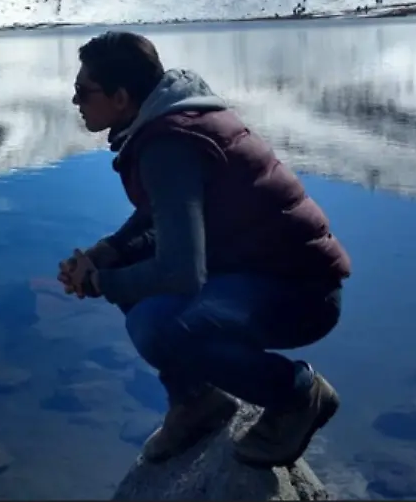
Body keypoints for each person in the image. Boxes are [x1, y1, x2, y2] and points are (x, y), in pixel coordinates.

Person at [56, 30, 350, 469]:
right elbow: (165, 215)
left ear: (120, 97)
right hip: (268, 273)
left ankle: (296, 395)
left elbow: (181, 273)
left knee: (155, 324)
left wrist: (101, 282)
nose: (75, 101)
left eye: (83, 91)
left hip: (302, 294)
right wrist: (109, 251)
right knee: (139, 275)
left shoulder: (168, 144)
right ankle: (196, 402)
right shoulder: (172, 119)